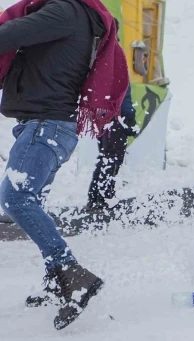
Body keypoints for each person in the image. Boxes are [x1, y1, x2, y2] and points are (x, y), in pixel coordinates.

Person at [0, 0, 129, 330]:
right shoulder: (72, 11)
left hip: (46, 123)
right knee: (33, 200)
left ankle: (71, 273)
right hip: (48, 123)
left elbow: (8, 35)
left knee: (17, 197)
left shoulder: (64, 10)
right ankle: (57, 281)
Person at [87, 18, 138, 210]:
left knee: (106, 154)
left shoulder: (95, 52)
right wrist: (128, 116)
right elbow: (122, 88)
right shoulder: (114, 53)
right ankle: (103, 197)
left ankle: (97, 195)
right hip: (115, 113)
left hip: (100, 113)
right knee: (113, 155)